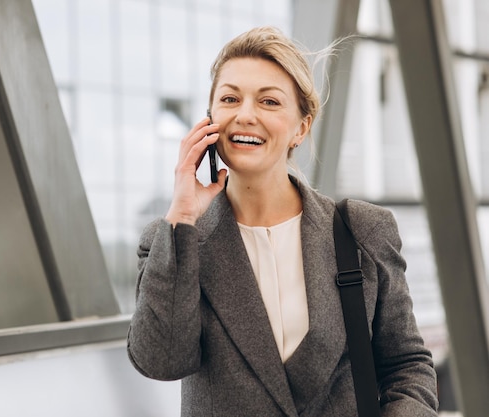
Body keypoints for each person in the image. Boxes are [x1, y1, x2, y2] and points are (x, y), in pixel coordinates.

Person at [127, 26, 438, 417]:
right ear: (209, 121)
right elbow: (161, 360)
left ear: (301, 128)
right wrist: (183, 217)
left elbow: (406, 365)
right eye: (229, 99)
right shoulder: (172, 240)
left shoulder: (360, 230)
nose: (245, 115)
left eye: (269, 102)